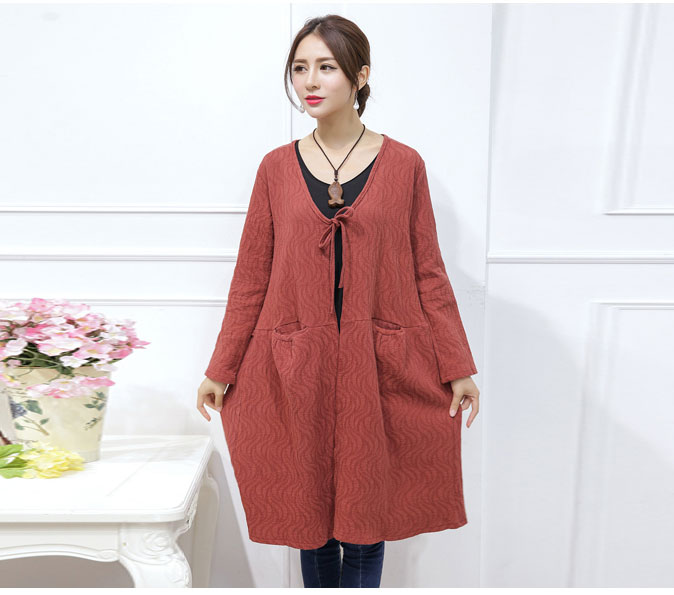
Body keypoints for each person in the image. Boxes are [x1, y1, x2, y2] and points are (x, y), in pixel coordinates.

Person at [196, 14, 480, 588]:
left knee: (366, 521)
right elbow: (251, 277)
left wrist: (457, 365)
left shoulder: (404, 164)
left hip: (379, 364)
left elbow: (427, 271)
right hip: (294, 364)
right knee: (312, 523)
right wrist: (220, 368)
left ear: (360, 75)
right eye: (300, 68)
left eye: (325, 67)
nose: (310, 81)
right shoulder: (276, 168)